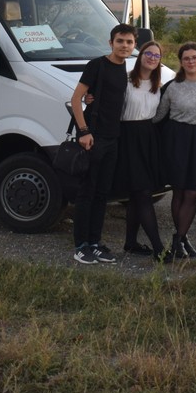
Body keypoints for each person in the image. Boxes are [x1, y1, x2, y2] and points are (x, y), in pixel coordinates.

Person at [68, 24, 135, 265]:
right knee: (87, 192)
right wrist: (84, 132)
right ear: (111, 43)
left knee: (102, 194)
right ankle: (80, 246)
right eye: (120, 41)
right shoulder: (96, 65)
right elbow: (76, 99)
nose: (124, 46)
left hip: (113, 139)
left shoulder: (125, 68)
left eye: (129, 42)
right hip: (93, 139)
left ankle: (94, 243)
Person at [153, 41, 196, 260]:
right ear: (181, 62)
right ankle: (181, 238)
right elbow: (158, 115)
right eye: (186, 58)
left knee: (193, 191)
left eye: (194, 57)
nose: (191, 61)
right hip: (176, 140)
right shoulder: (172, 86)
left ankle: (178, 238)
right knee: (179, 191)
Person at [117, 40, 169, 261]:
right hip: (128, 138)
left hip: (149, 139)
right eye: (149, 53)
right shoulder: (126, 80)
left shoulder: (159, 84)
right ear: (141, 55)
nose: (152, 58)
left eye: (157, 56)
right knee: (142, 194)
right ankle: (158, 248)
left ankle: (130, 243)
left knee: (137, 195)